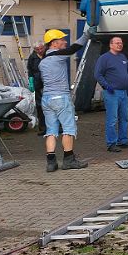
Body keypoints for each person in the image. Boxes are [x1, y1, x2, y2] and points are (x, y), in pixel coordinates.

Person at [39, 28, 90, 172]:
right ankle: (68, 160)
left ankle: (51, 162)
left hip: (47, 99)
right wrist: (86, 35)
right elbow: (74, 48)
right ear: (54, 43)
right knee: (68, 129)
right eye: (62, 39)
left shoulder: (42, 61)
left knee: (51, 131)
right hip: (60, 98)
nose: (65, 42)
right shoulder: (57, 56)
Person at [94, 36, 128, 152]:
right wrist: (106, 86)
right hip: (112, 93)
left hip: (123, 93)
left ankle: (123, 140)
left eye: (121, 43)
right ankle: (111, 143)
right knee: (112, 119)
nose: (119, 45)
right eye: (117, 43)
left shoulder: (123, 57)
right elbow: (97, 74)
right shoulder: (104, 58)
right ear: (111, 45)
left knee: (124, 117)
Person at [26, 41, 46, 135]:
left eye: (41, 48)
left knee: (52, 105)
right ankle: (42, 127)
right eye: (38, 49)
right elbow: (30, 70)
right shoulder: (32, 58)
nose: (40, 51)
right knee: (40, 106)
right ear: (34, 50)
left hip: (48, 83)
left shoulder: (48, 55)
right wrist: (31, 81)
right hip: (38, 83)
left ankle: (56, 126)